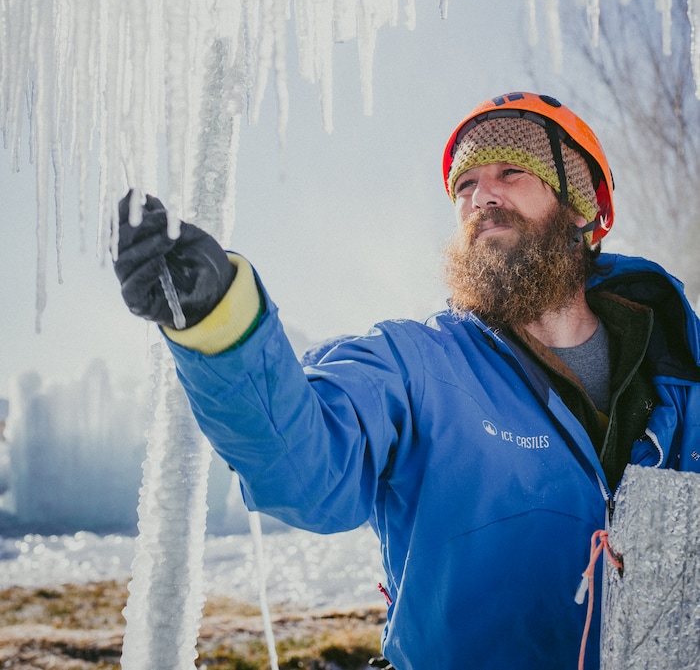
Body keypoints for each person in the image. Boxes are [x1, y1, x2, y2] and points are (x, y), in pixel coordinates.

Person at [114, 90, 700, 670]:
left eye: (512, 172)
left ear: (584, 208)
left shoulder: (683, 374)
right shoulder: (416, 364)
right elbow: (305, 471)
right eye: (465, 185)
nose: (481, 196)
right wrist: (223, 320)